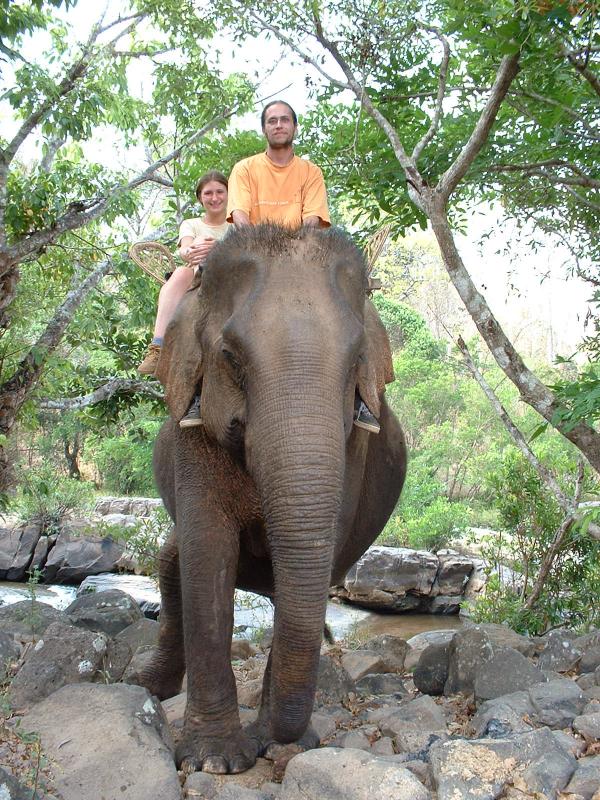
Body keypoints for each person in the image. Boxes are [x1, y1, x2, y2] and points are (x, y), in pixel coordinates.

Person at [227, 100, 380, 433]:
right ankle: (194, 392)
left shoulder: (310, 172)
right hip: (253, 258)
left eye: (284, 120)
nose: (278, 125)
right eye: (272, 120)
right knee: (201, 308)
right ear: (264, 129)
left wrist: (294, 257)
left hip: (301, 261)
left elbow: (312, 221)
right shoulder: (245, 169)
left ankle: (364, 396)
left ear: (294, 127)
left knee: (361, 314)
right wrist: (262, 253)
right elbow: (240, 217)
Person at [137, 171, 229, 426]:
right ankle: (157, 347)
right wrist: (193, 249)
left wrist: (220, 248)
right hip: (199, 281)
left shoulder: (237, 225)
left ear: (228, 194)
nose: (214, 198)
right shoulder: (191, 224)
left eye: (219, 191)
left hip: (232, 283)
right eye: (208, 193)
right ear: (200, 198)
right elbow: (186, 248)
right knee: (179, 272)